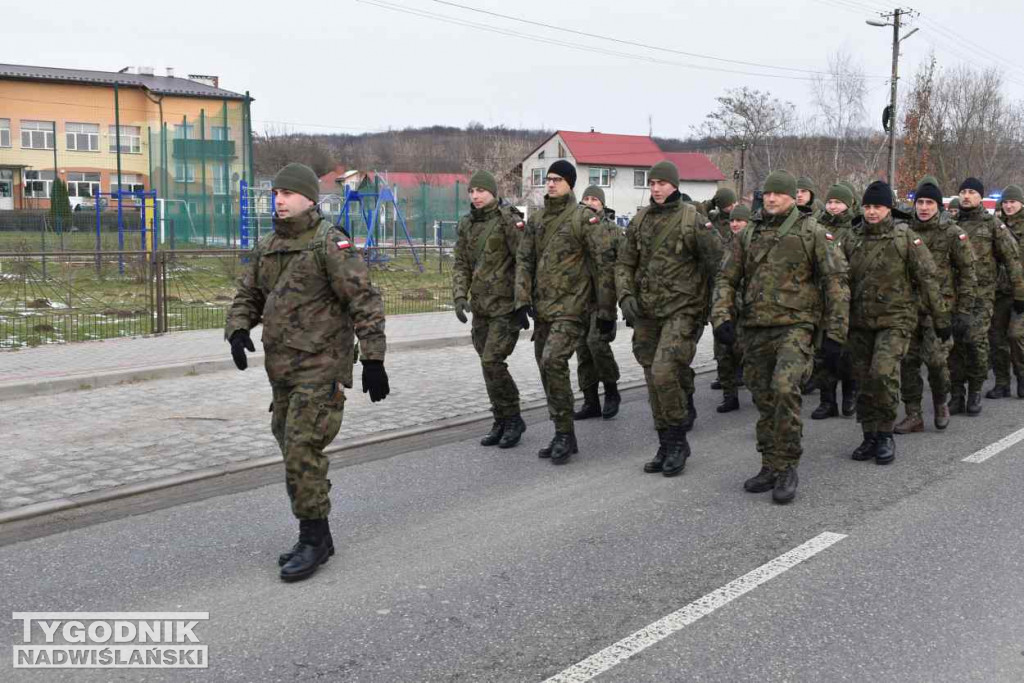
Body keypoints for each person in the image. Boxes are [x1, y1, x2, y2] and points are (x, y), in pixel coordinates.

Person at [225, 163, 390, 582]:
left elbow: (365, 301)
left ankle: (313, 539)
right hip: (282, 370)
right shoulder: (269, 246)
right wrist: (238, 328)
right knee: (291, 447)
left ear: (309, 198)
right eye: (275, 193)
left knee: (301, 449)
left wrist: (373, 359)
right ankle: (321, 533)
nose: (278, 200)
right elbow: (249, 293)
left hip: (321, 368)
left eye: (287, 193)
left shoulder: (330, 246)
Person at [713, 170, 849, 504]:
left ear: (792, 197)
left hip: (796, 327)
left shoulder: (812, 232)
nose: (771, 199)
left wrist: (835, 333)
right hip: (756, 328)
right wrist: (722, 316)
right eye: (767, 194)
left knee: (786, 390)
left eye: (778, 194)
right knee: (763, 398)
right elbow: (726, 278)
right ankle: (770, 462)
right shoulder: (749, 234)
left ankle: (788, 465)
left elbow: (836, 283)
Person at [616, 161, 723, 476]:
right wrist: (626, 296)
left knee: (665, 372)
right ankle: (665, 441)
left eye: (662, 183)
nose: (656, 188)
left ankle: (677, 441)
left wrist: (718, 310)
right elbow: (624, 262)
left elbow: (719, 265)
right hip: (648, 312)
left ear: (674, 185)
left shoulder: (693, 221)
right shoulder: (640, 220)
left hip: (684, 310)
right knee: (652, 377)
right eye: (652, 184)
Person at [515, 161, 617, 464]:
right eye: (548, 179)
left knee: (553, 360)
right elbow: (524, 259)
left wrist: (606, 311)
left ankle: (563, 435)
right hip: (543, 310)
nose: (550, 184)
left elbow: (604, 266)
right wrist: (521, 300)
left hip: (574, 309)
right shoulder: (538, 220)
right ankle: (564, 431)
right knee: (546, 369)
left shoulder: (584, 219)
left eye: (557, 179)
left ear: (570, 183)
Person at [841, 181, 948, 465]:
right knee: (863, 378)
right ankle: (869, 435)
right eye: (867, 207)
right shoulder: (852, 239)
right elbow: (838, 282)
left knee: (883, 373)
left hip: (896, 320)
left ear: (889, 208)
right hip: (860, 321)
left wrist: (941, 319)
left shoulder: (905, 238)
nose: (872, 212)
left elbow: (928, 279)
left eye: (877, 207)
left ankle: (886, 433)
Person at [452, 170, 528, 448]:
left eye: (481, 191)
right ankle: (501, 418)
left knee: (492, 362)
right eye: (471, 191)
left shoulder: (509, 221)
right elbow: (460, 262)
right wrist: (460, 296)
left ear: (493, 192)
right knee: (488, 366)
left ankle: (514, 419)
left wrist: (523, 302)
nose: (475, 196)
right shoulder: (466, 224)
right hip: (481, 308)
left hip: (505, 308)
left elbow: (524, 261)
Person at [894, 179, 976, 433]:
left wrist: (963, 311)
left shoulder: (952, 233)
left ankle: (941, 402)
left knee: (936, 361)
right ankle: (913, 414)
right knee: (907, 362)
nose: (924, 207)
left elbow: (968, 273)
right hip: (908, 308)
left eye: (929, 202)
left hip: (940, 309)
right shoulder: (904, 231)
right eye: (920, 202)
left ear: (938, 206)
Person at [950, 177, 1024, 415]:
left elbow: (1012, 261)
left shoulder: (992, 225)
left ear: (980, 197)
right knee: (963, 345)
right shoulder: (950, 224)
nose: (966, 196)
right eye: (963, 192)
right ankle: (964, 392)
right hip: (956, 296)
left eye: (972, 192)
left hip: (985, 294)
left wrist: (1020, 293)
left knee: (981, 340)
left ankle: (978, 389)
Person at [573, 185, 623, 420]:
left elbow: (622, 266)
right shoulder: (574, 227)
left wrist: (617, 303)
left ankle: (611, 390)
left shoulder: (612, 230)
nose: (590, 202)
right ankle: (590, 400)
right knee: (582, 350)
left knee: (596, 343)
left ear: (602, 205)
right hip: (579, 299)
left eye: (595, 199)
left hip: (603, 298)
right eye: (587, 198)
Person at [811, 183, 860, 420]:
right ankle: (827, 399)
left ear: (849, 204)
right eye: (830, 201)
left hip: (845, 299)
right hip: (819, 299)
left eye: (838, 202)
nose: (832, 206)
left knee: (845, 352)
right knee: (822, 353)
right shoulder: (816, 228)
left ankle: (849, 394)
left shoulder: (854, 230)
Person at [713, 203, 751, 413]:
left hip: (748, 309)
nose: (735, 224)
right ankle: (729, 395)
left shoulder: (755, 244)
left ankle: (758, 392)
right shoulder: (722, 244)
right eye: (733, 221)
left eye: (740, 221)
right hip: (725, 307)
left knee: (747, 352)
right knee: (723, 352)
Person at [987, 185, 1024, 398]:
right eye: (1006, 202)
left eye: (1013, 202)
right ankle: (1002, 383)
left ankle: (1022, 376)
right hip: (1000, 290)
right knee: (996, 336)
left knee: (1015, 335)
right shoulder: (997, 226)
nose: (1009, 206)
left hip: (1021, 292)